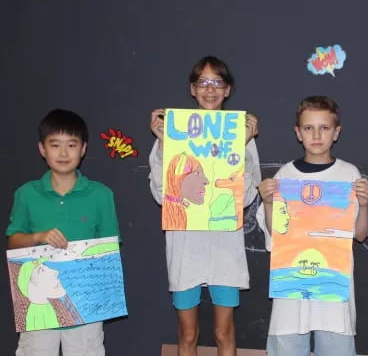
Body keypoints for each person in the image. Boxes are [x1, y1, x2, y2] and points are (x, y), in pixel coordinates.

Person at [148, 56, 260, 356]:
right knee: (187, 333)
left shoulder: (241, 135)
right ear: (192, 89)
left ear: (228, 90)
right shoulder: (174, 133)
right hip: (186, 248)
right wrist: (162, 144)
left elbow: (247, 197)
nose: (210, 90)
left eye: (217, 83)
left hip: (225, 246)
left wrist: (243, 147)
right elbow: (162, 194)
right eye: (203, 83)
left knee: (224, 332)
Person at [256, 96, 368, 356]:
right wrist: (267, 203)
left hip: (334, 295)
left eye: (324, 127)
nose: (317, 135)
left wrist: (365, 205)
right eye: (309, 128)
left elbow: (361, 234)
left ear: (336, 132)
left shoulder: (349, 174)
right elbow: (277, 234)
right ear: (298, 133)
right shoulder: (285, 176)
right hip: (290, 295)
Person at [6, 109, 120, 356]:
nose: (64, 153)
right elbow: (13, 241)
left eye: (71, 144)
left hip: (85, 299)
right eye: (55, 145)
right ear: (42, 149)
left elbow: (110, 250)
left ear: (83, 149)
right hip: (38, 299)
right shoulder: (26, 194)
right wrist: (38, 237)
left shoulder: (101, 195)